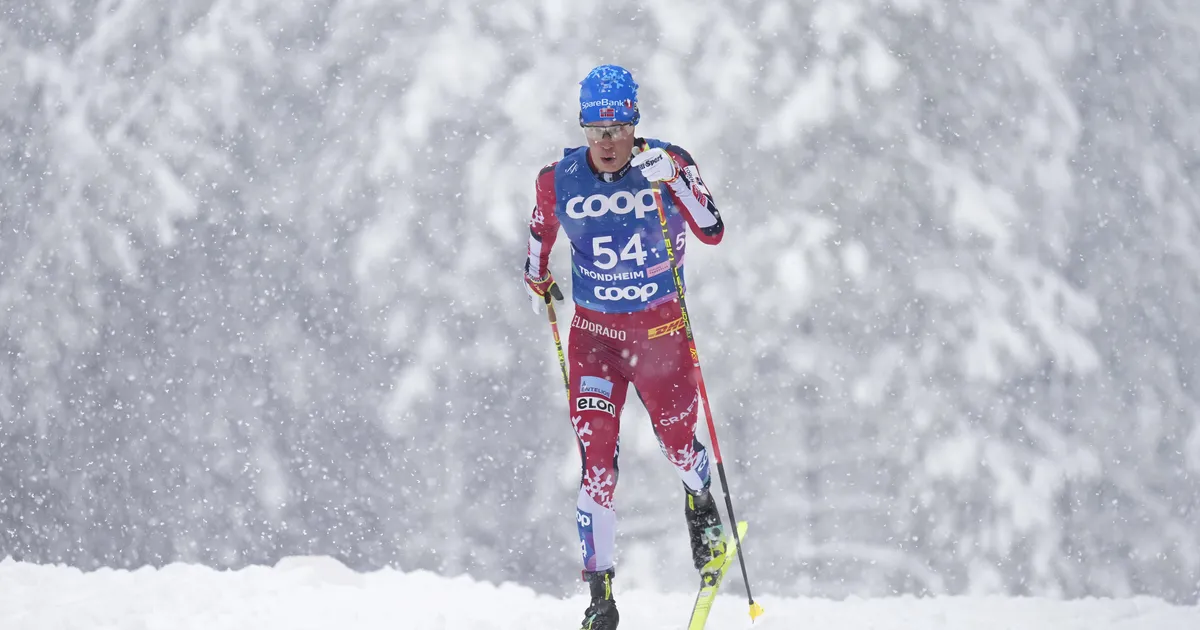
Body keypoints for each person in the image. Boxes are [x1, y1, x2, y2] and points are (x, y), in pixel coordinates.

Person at [523, 64, 728, 630]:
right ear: (583, 128)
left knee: (678, 445)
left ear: (635, 123)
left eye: (616, 127)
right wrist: (537, 274)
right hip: (595, 342)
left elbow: (712, 229)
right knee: (597, 466)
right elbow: (538, 236)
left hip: (661, 333)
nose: (606, 141)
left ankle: (699, 496)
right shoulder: (559, 177)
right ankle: (600, 597)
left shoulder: (667, 162)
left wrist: (678, 181)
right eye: (595, 128)